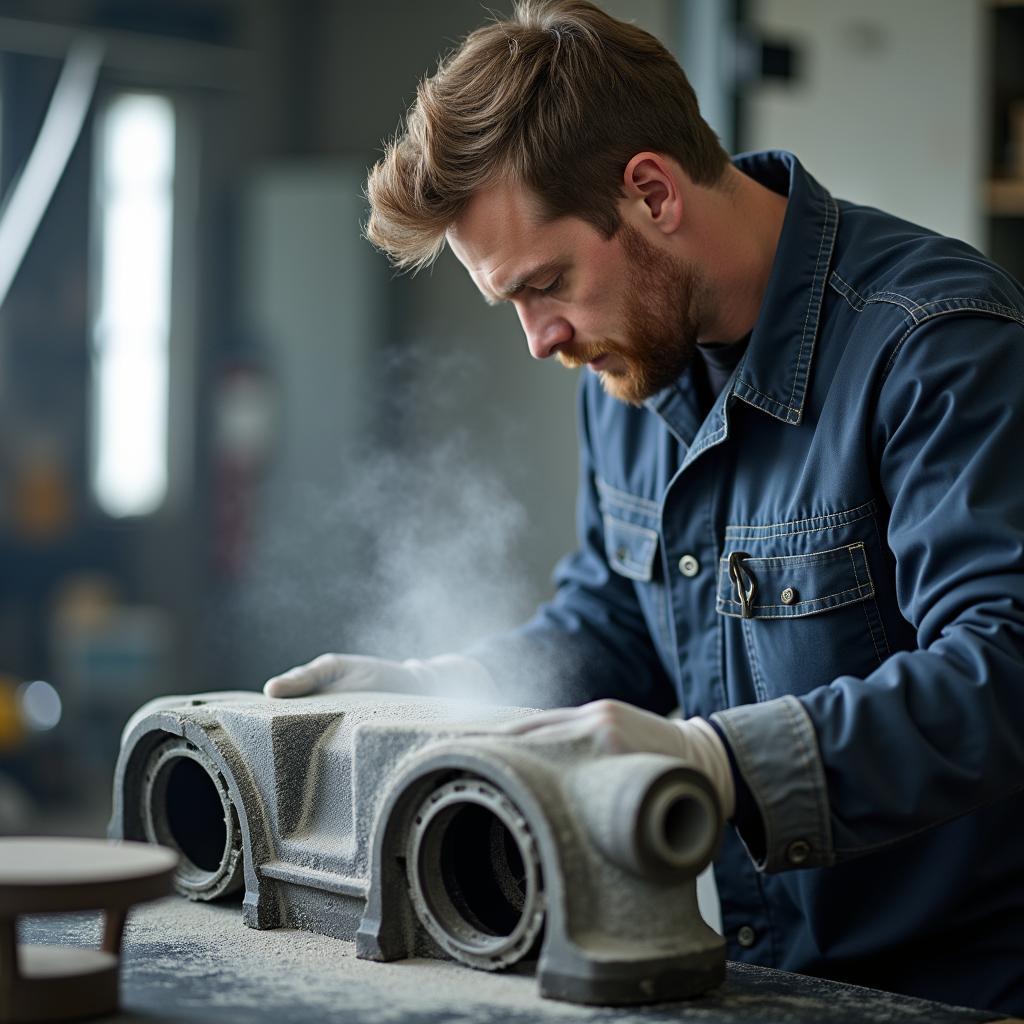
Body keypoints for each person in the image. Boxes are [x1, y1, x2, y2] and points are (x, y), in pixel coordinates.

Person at [263, 1, 1024, 1014]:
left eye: (547, 284)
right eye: (514, 305)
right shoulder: (625, 367)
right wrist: (437, 685)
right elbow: (612, 620)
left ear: (653, 193)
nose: (539, 340)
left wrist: (715, 762)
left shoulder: (933, 341)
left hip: (957, 988)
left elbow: (1002, 667)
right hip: (752, 972)